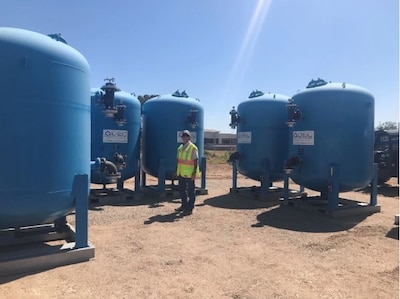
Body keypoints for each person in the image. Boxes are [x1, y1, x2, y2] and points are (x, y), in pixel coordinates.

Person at [175, 129, 199, 216]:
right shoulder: (180, 148)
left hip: (190, 174)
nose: (184, 138)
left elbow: (196, 160)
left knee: (191, 191)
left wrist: (194, 172)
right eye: (183, 136)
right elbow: (179, 161)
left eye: (186, 136)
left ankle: (190, 208)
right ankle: (184, 205)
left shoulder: (193, 148)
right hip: (181, 173)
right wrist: (177, 171)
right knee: (181, 190)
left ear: (189, 137)